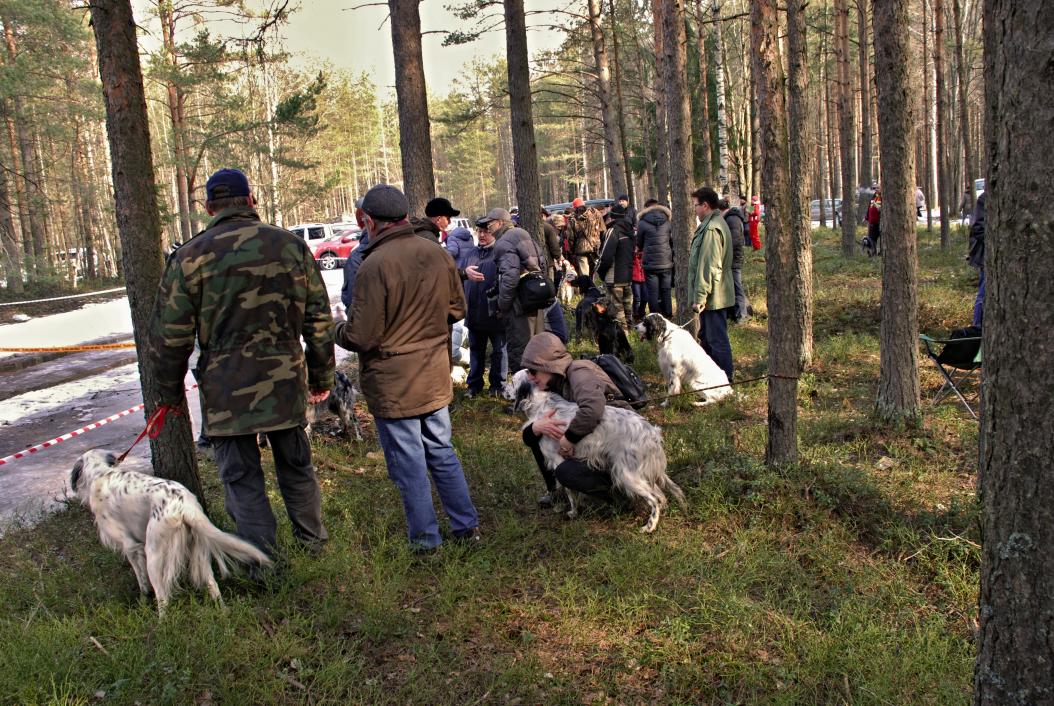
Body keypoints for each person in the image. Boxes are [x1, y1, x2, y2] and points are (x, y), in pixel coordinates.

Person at [153, 168, 334, 558]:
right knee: (296, 466)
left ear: (208, 208)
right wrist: (321, 376)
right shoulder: (290, 246)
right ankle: (314, 548)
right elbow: (319, 320)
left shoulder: (189, 257)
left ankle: (261, 561)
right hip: (285, 382)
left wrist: (169, 395)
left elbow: (170, 338)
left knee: (241, 478)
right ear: (251, 200)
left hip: (226, 389)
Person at [334, 184, 480, 552]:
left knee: (410, 463)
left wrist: (334, 330)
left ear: (370, 222)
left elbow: (361, 336)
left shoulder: (373, 265)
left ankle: (426, 543)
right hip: (433, 375)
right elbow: (457, 310)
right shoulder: (436, 253)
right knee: (442, 452)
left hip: (394, 384)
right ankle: (466, 528)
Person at [519, 332, 631, 508]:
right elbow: (529, 439)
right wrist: (535, 428)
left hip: (618, 443)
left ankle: (619, 495)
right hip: (593, 442)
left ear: (548, 366)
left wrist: (568, 439)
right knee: (541, 431)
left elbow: (592, 409)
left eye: (533, 371)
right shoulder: (551, 385)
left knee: (566, 472)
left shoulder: (579, 372)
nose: (530, 377)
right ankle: (556, 492)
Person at [487, 207, 549, 377]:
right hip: (534, 300)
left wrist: (502, 305)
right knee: (537, 348)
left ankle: (524, 390)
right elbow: (543, 263)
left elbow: (510, 277)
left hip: (518, 306)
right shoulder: (524, 234)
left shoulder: (503, 242)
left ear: (500, 223)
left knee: (520, 351)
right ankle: (542, 386)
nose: (488, 228)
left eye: (490, 224)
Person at [688, 186, 735, 381]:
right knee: (707, 338)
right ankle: (709, 377)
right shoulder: (711, 224)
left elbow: (708, 266)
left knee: (717, 340)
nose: (695, 210)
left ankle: (724, 380)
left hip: (714, 295)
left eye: (696, 206)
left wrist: (700, 297)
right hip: (713, 293)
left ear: (705, 205)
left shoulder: (712, 229)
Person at [461, 216, 506, 397]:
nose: (482, 235)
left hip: (495, 313)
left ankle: (497, 386)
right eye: (479, 231)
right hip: (474, 312)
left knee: (499, 351)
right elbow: (460, 277)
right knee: (476, 351)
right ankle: (474, 385)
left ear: (493, 232)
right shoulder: (470, 253)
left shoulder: (500, 253)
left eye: (486, 231)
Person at [596, 203, 635, 329]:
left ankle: (624, 334)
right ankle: (631, 329)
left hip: (614, 276)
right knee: (627, 306)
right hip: (628, 275)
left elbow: (606, 256)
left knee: (617, 308)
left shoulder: (613, 231)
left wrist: (601, 272)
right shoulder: (630, 231)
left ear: (611, 217)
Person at [635, 198, 674, 318]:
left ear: (646, 208)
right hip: (666, 261)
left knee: (653, 292)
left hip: (650, 263)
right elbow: (671, 240)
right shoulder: (667, 220)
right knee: (666, 291)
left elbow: (639, 243)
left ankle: (655, 318)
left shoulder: (642, 222)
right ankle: (668, 316)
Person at [719, 197, 751, 323]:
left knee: (737, 286)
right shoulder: (730, 218)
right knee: (732, 286)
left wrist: (724, 252)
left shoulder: (732, 219)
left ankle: (742, 315)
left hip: (733, 258)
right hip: (731, 258)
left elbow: (735, 241)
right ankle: (734, 313)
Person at [568, 197, 603, 276]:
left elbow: (571, 237)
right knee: (598, 270)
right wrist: (601, 244)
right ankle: (597, 283)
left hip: (580, 248)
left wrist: (572, 250)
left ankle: (586, 283)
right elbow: (602, 230)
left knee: (584, 274)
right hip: (595, 246)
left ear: (574, 207)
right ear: (584, 204)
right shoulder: (596, 213)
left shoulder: (572, 218)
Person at [968, 191, 986, 327]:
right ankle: (977, 326)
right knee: (983, 293)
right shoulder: (985, 198)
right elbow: (978, 229)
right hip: (987, 256)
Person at [540, 208, 563, 290]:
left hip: (532, 263)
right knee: (549, 284)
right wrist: (558, 257)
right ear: (543, 215)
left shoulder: (526, 227)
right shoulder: (548, 228)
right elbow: (554, 246)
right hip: (547, 261)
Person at [866, 188, 882, 254]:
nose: (876, 189)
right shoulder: (873, 197)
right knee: (871, 238)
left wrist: (876, 205)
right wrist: (866, 217)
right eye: (875, 188)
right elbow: (869, 208)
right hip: (872, 222)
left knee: (880, 238)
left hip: (879, 222)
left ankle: (880, 252)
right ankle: (873, 252)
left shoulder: (882, 197)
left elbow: (880, 209)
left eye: (878, 188)